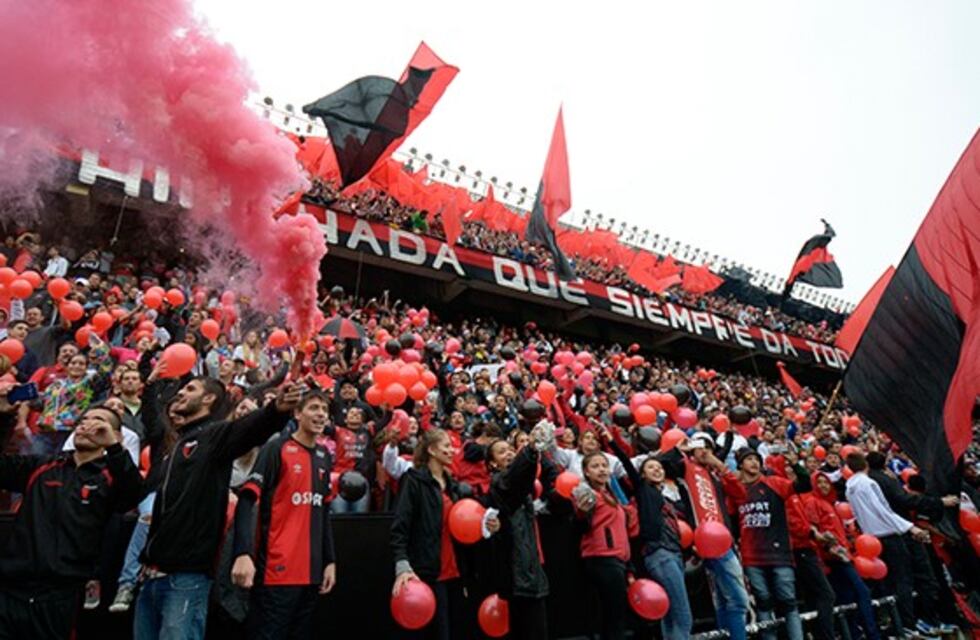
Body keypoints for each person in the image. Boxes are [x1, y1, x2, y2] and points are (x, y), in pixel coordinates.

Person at [133, 376, 305, 640]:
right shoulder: (175, 446)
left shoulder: (213, 435)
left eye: (190, 389)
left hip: (185, 581)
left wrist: (276, 410)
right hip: (150, 579)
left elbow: (250, 429)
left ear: (208, 399)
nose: (180, 393)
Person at [0, 403, 142, 639]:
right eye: (83, 420)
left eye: (98, 421)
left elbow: (133, 494)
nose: (87, 425)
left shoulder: (110, 476)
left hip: (61, 595)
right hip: (11, 588)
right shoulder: (43, 465)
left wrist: (115, 448)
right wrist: (4, 417)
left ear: (115, 435)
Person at [230, 391, 337, 640]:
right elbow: (246, 501)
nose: (321, 414)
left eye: (324, 409)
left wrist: (329, 560)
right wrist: (242, 553)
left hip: (311, 573)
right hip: (276, 572)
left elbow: (323, 513)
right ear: (297, 414)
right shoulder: (276, 448)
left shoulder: (324, 457)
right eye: (313, 408)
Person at [390, 428, 490, 639]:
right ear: (432, 450)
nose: (452, 450)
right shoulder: (414, 480)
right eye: (446, 446)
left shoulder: (454, 486)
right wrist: (402, 564)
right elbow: (400, 527)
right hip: (428, 574)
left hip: (455, 574)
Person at [602, 425, 692, 640]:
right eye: (650, 468)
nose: (657, 470)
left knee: (670, 616)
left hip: (674, 554)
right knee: (683, 616)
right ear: (642, 475)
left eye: (659, 467)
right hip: (661, 554)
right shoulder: (643, 490)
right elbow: (626, 463)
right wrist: (611, 440)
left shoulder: (665, 496)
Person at [844, 452, 939, 637]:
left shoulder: (849, 487)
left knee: (887, 583)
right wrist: (911, 528)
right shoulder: (867, 483)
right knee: (903, 580)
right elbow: (883, 510)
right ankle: (907, 624)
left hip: (871, 539)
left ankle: (896, 622)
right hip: (888, 535)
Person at [482, 422, 551, 640]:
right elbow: (515, 479)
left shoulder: (521, 483)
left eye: (511, 449)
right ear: (492, 464)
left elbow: (526, 477)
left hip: (531, 569)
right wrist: (530, 449)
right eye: (501, 452)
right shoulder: (499, 483)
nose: (509, 454)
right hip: (517, 573)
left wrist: (536, 452)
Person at [731, 448, 804, 640]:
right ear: (740, 465)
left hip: (779, 554)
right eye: (749, 459)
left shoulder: (774, 483)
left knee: (788, 602)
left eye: (756, 459)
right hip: (751, 556)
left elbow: (803, 485)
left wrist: (796, 464)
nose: (754, 463)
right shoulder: (737, 491)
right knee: (763, 602)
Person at [811, 471, 881, 640]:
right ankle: (871, 634)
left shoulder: (830, 504)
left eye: (826, 482)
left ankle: (854, 633)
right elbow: (814, 530)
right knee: (861, 592)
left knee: (847, 597)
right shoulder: (813, 503)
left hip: (842, 556)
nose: (823, 485)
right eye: (819, 482)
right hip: (833, 559)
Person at [573, 450, 631, 640]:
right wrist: (581, 513)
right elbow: (580, 525)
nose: (602, 470)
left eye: (604, 465)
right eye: (595, 466)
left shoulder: (609, 494)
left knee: (613, 617)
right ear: (586, 472)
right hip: (602, 559)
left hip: (617, 559)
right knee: (613, 618)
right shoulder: (587, 494)